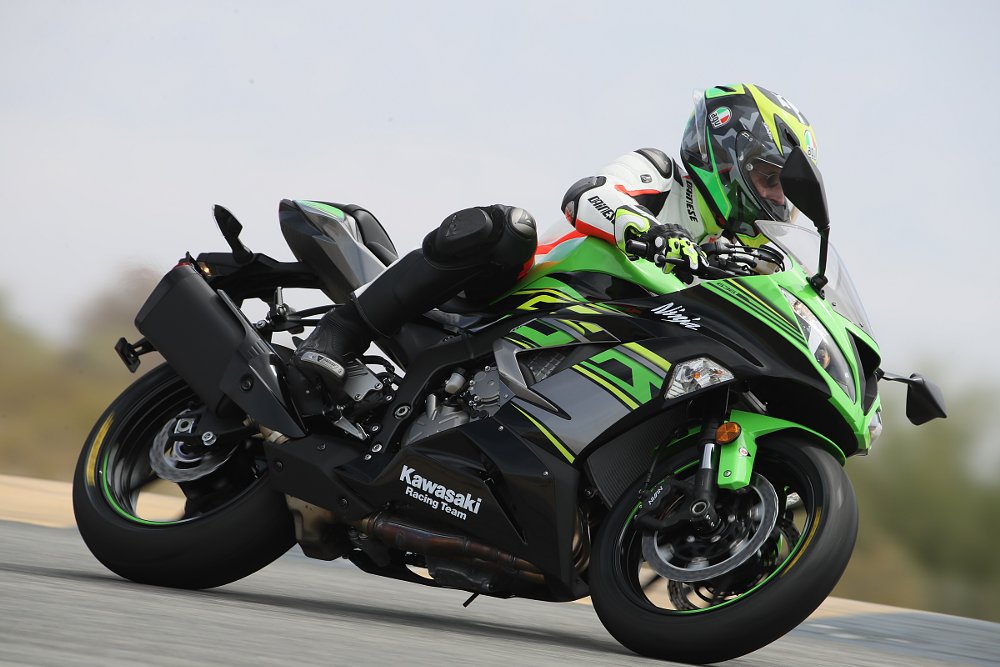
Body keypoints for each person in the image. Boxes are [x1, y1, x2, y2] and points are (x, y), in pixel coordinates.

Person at [289, 83, 819, 406]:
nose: (775, 196)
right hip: (517, 297)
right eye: (768, 176)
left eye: (782, 188)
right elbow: (587, 197)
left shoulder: (741, 247)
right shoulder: (662, 174)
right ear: (725, 151)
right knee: (506, 227)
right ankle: (341, 329)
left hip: (610, 339)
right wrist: (657, 236)